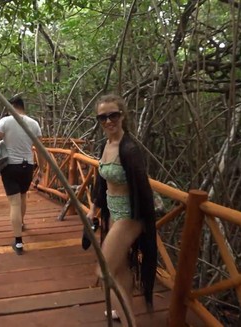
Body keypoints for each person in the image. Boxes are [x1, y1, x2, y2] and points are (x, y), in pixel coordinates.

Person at [86, 94, 157, 326]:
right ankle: (122, 311)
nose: (108, 121)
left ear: (122, 116)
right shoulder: (105, 144)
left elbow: (144, 189)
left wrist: (145, 222)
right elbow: (101, 181)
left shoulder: (129, 149)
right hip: (113, 213)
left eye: (113, 115)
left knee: (104, 269)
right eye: (102, 117)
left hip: (130, 216)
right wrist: (94, 208)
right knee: (120, 269)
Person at [0, 95, 42, 255]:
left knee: (14, 203)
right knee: (23, 196)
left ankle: (18, 242)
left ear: (11, 106)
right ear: (23, 106)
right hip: (28, 166)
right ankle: (22, 223)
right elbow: (40, 148)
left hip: (10, 166)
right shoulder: (34, 123)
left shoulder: (5, 121)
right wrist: (42, 169)